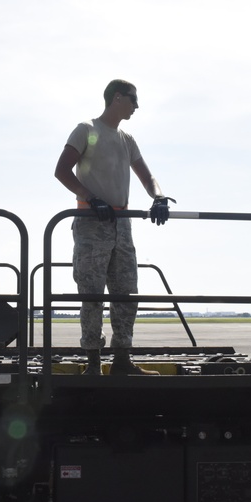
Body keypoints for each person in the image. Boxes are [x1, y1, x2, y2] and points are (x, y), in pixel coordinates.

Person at [54, 79, 174, 376]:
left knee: (126, 293)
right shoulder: (87, 130)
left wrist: (158, 197)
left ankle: (122, 360)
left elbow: (149, 178)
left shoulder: (126, 139)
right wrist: (91, 198)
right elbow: (61, 170)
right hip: (92, 223)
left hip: (122, 225)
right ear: (117, 98)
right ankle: (93, 363)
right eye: (133, 99)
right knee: (91, 293)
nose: (136, 105)